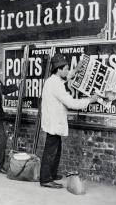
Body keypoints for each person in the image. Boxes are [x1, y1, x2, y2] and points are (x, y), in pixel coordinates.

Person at [40, 53, 98, 188]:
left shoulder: (54, 80)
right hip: (54, 122)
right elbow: (71, 103)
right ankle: (45, 179)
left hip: (53, 121)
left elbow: (67, 77)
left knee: (56, 149)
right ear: (58, 69)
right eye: (65, 68)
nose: (67, 71)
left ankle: (52, 174)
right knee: (51, 150)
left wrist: (76, 69)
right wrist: (90, 100)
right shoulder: (56, 84)